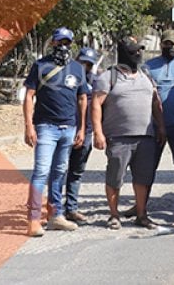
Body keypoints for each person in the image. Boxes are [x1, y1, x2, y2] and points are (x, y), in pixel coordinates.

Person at [22, 27, 88, 237]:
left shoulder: (78, 68)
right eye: (60, 42)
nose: (63, 47)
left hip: (68, 127)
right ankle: (33, 219)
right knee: (41, 172)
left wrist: (82, 128)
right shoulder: (41, 66)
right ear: (52, 43)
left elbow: (82, 98)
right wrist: (28, 126)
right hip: (45, 127)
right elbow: (29, 95)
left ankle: (55, 215)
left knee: (59, 172)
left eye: (67, 43)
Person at [93, 40, 164, 230]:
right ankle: (114, 215)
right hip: (118, 137)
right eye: (134, 52)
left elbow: (156, 104)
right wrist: (98, 132)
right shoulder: (109, 77)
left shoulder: (146, 75)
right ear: (124, 53)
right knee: (115, 177)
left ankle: (141, 215)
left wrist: (162, 127)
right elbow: (96, 104)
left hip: (146, 136)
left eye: (140, 51)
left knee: (143, 178)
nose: (138, 55)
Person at [146, 31, 174, 188]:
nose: (170, 47)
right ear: (161, 45)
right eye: (166, 43)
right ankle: (141, 206)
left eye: (172, 44)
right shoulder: (148, 66)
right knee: (147, 168)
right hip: (154, 126)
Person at [60, 47, 101, 225]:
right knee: (59, 170)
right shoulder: (65, 78)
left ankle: (71, 208)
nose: (85, 66)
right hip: (65, 129)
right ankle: (54, 209)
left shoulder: (97, 82)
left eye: (88, 64)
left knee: (76, 172)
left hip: (87, 132)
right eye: (82, 62)